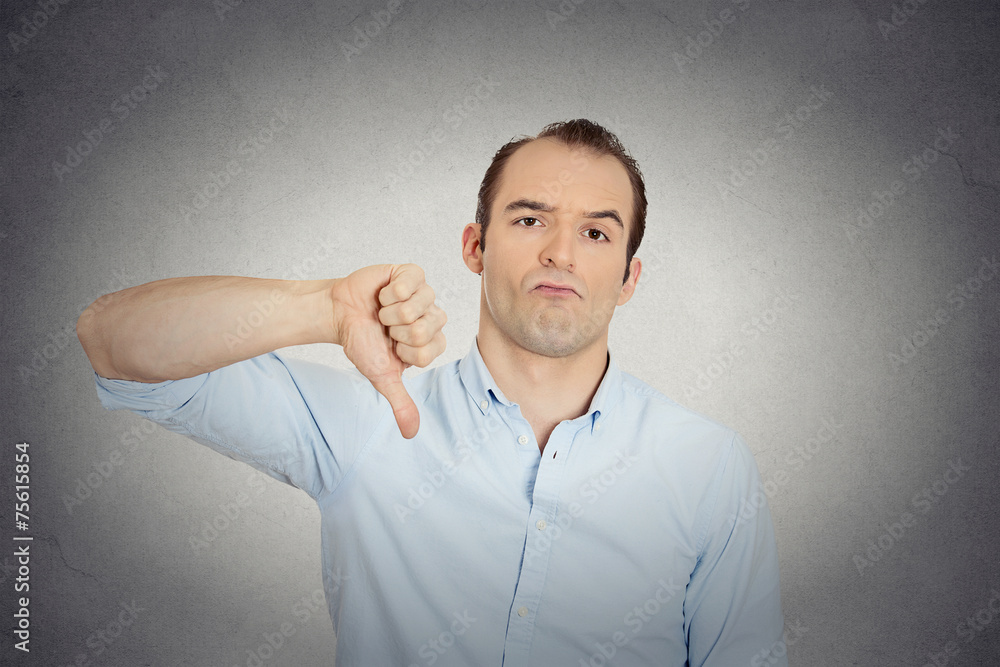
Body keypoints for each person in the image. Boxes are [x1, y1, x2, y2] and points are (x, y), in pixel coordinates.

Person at [77, 119, 787, 666]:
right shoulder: (369, 422)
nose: (560, 254)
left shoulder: (709, 467)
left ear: (629, 278)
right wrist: (322, 307)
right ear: (474, 246)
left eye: (597, 232)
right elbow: (113, 341)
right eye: (531, 219)